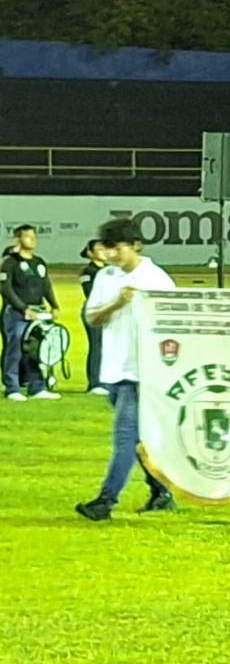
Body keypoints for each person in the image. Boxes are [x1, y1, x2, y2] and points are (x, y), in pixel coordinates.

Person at [74, 219, 177, 521]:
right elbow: (93, 318)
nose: (112, 254)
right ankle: (162, 493)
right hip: (115, 369)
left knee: (124, 438)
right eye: (107, 248)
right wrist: (117, 303)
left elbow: (175, 326)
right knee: (140, 440)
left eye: (117, 247)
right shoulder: (106, 277)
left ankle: (106, 501)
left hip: (143, 372)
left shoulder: (157, 279)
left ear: (136, 245)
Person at [1, 225, 61, 401]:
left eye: (34, 236)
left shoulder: (39, 262)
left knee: (37, 351)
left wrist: (54, 305)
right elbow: (6, 289)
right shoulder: (9, 263)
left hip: (38, 312)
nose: (32, 240)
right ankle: (12, 387)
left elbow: (46, 285)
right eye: (27, 236)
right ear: (18, 239)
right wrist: (23, 308)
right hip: (18, 314)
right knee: (15, 349)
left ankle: (37, 387)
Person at [78, 239, 110, 397]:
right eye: (99, 248)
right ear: (90, 253)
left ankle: (106, 381)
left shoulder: (110, 270)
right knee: (96, 345)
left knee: (108, 347)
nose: (104, 251)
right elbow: (89, 293)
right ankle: (95, 383)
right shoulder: (88, 271)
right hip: (95, 311)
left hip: (110, 311)